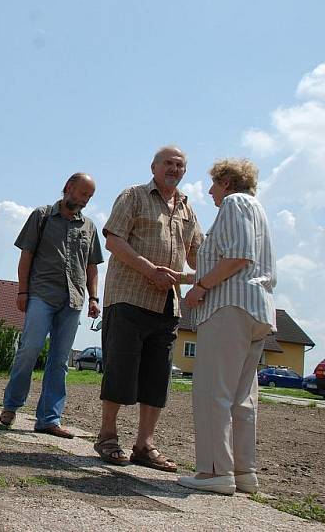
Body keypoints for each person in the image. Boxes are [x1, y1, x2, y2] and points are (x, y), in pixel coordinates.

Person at [95, 145, 203, 471]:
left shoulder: (187, 208)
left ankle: (144, 445)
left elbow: (198, 254)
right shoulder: (134, 195)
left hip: (168, 305)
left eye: (180, 165)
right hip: (128, 297)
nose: (174, 169)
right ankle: (107, 436)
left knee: (157, 378)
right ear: (154, 167)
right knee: (120, 369)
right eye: (168, 163)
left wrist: (208, 277)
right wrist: (148, 270)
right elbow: (113, 240)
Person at [178, 158, 276, 495]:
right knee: (242, 397)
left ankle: (215, 471)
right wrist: (188, 277)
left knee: (212, 392)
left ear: (228, 182)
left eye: (214, 184)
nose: (210, 191)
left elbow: (237, 258)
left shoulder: (235, 203)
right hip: (257, 310)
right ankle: (242, 471)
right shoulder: (258, 211)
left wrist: (200, 288)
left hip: (228, 308)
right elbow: (240, 261)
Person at [0, 172, 104, 438]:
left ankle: (49, 418)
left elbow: (92, 267)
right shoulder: (42, 216)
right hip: (41, 294)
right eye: (82, 194)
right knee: (30, 349)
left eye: (89, 197)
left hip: (74, 299)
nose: (84, 200)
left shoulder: (89, 227)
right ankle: (11, 405)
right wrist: (22, 291)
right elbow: (26, 256)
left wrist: (93, 297)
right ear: (68, 188)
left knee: (59, 361)